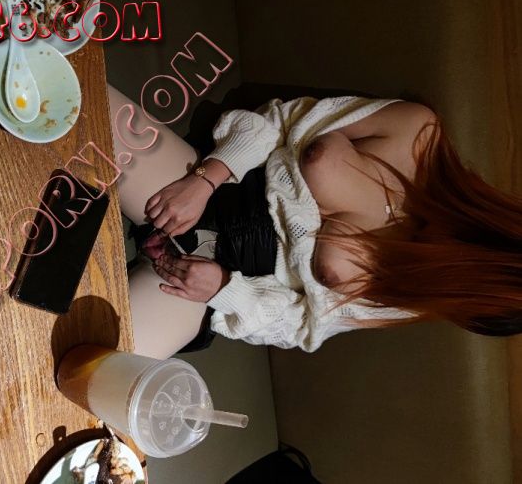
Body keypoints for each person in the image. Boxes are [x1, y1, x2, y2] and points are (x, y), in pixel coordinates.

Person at [108, 85, 522, 359]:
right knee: (88, 110)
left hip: (207, 285)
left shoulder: (409, 295)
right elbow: (281, 121)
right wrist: (206, 179)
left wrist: (224, 288)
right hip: (211, 184)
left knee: (95, 364)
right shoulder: (417, 131)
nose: (439, 297)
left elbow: (302, 326)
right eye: (458, 289)